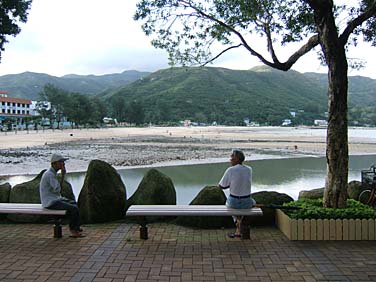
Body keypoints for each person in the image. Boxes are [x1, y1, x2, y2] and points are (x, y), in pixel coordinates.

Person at [39, 153, 84, 238]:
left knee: (74, 203)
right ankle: (73, 230)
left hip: (54, 199)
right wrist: (63, 175)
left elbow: (57, 190)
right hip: (50, 202)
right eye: (60, 162)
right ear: (54, 164)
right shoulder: (49, 175)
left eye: (63, 162)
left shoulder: (51, 173)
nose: (63, 164)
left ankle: (76, 227)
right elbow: (58, 189)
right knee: (73, 208)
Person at [218, 149, 256, 238]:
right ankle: (239, 228)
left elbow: (221, 186)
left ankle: (237, 222)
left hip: (234, 201)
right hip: (246, 201)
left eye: (232, 156)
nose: (230, 159)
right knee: (253, 203)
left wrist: (230, 185)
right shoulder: (249, 169)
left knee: (228, 204)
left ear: (237, 159)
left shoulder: (230, 170)